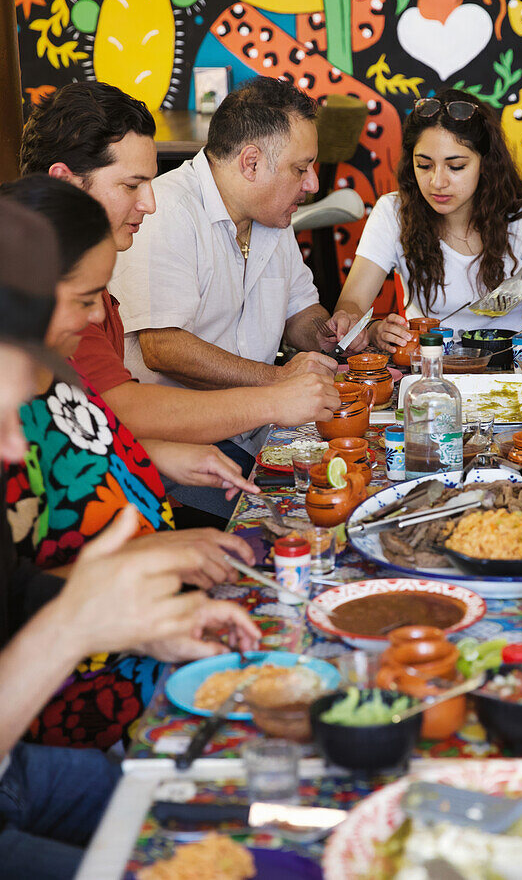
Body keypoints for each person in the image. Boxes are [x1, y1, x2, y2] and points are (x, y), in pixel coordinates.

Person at [0, 202, 259, 879]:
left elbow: (18, 596)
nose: (16, 448)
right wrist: (76, 621)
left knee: (237, 820)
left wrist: (134, 623)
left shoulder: (38, 378)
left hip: (19, 768)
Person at [20, 80, 343, 516]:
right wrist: (276, 393)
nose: (150, 204)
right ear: (66, 182)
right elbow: (121, 407)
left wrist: (154, 453)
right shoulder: (42, 284)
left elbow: (85, 425)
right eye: (132, 185)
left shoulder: (80, 282)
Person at [334, 89, 522, 350]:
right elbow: (351, 304)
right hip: (427, 366)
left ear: (486, 163)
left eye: (456, 166)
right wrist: (370, 329)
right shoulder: (393, 212)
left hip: (510, 371)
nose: (437, 182)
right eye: (424, 165)